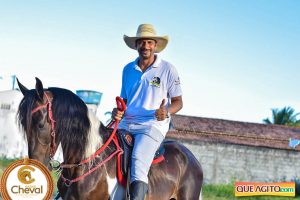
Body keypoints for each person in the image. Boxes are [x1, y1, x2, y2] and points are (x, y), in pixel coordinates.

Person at [112, 24, 183, 200]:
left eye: (150, 42)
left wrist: (166, 112)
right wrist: (118, 111)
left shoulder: (168, 69)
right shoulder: (127, 69)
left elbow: (178, 102)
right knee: (104, 151)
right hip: (126, 123)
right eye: (142, 42)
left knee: (137, 162)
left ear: (155, 45)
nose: (146, 46)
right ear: (136, 45)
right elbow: (125, 101)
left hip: (152, 125)